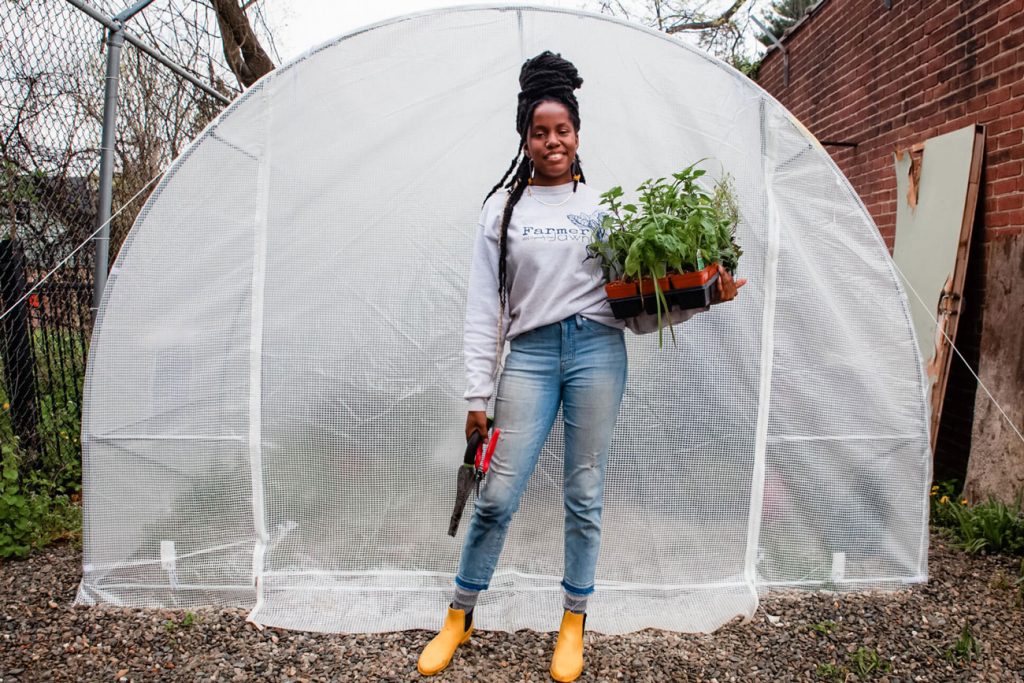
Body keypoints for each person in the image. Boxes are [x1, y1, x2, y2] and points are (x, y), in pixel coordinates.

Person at [417, 51, 744, 682]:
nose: (551, 141)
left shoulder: (604, 210)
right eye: (540, 132)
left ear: (576, 133)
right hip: (531, 357)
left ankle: (573, 621)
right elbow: (483, 310)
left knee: (584, 492)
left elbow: (634, 307)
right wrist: (476, 397)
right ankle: (460, 613)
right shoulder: (500, 212)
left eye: (561, 130)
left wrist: (701, 297)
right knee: (498, 495)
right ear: (526, 138)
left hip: (597, 350)